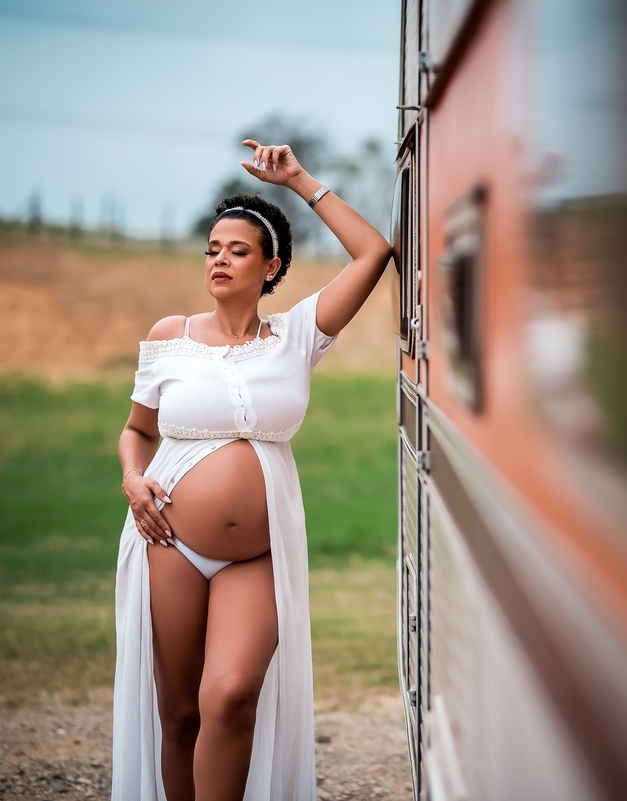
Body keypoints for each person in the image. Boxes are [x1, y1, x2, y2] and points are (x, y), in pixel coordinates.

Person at [111, 139, 392, 800]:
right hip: (168, 541)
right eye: (212, 248)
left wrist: (299, 181)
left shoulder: (297, 336)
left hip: (258, 556)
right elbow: (137, 430)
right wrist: (131, 477)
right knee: (179, 713)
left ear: (272, 267)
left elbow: (375, 252)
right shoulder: (169, 336)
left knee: (231, 695)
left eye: (237, 250)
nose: (219, 259)